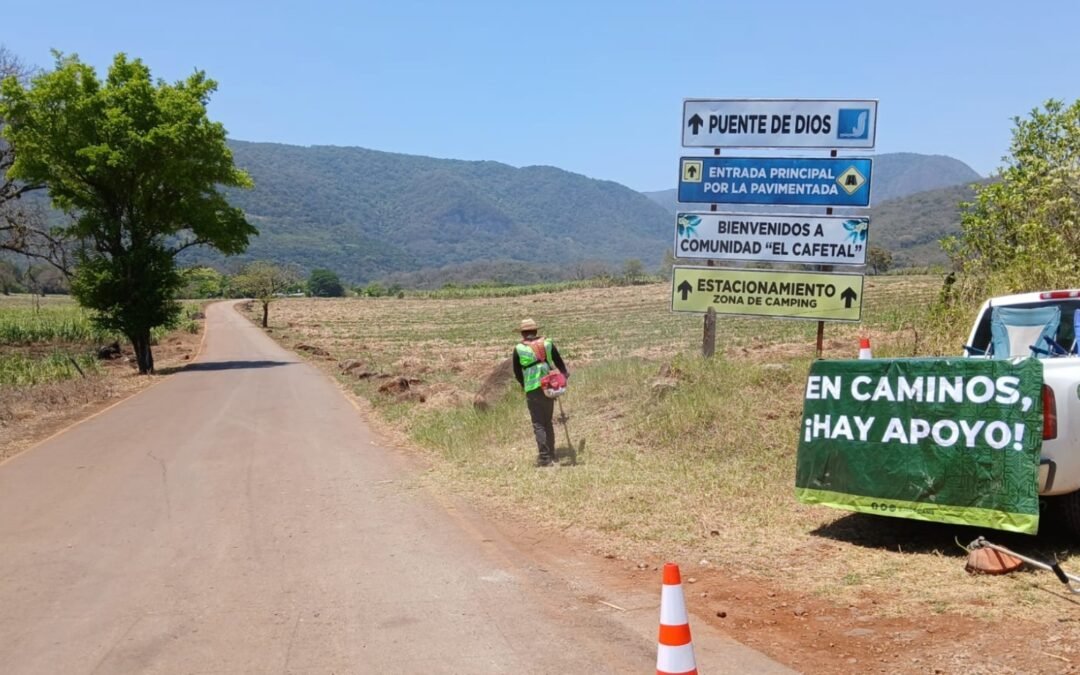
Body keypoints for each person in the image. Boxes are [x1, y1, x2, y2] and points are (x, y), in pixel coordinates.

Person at [512, 318, 568, 467]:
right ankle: (552, 454)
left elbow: (517, 372)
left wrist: (524, 385)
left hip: (532, 389)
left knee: (538, 423)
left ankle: (544, 458)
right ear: (536, 331)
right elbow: (559, 362)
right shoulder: (547, 343)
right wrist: (564, 376)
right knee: (547, 421)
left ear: (523, 334)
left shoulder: (519, 348)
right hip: (549, 386)